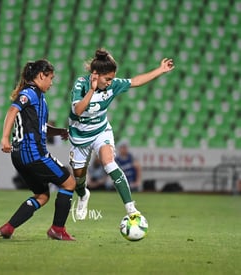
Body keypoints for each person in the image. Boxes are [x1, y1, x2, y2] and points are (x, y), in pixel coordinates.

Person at [69, 48, 174, 220]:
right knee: (79, 177)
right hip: (79, 136)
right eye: (107, 79)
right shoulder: (81, 84)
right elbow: (78, 110)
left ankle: (131, 209)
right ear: (95, 74)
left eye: (112, 78)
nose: (110, 82)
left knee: (109, 163)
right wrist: (92, 90)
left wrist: (160, 70)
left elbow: (135, 81)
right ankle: (83, 195)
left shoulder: (113, 84)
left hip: (101, 131)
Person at [0, 59, 76, 241]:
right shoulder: (30, 93)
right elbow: (11, 111)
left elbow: (40, 126)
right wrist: (4, 137)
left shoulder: (39, 97)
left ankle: (9, 227)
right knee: (69, 183)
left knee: (42, 195)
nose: (52, 82)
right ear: (41, 75)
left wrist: (59, 132)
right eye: (51, 78)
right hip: (33, 154)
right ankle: (58, 229)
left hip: (20, 156)